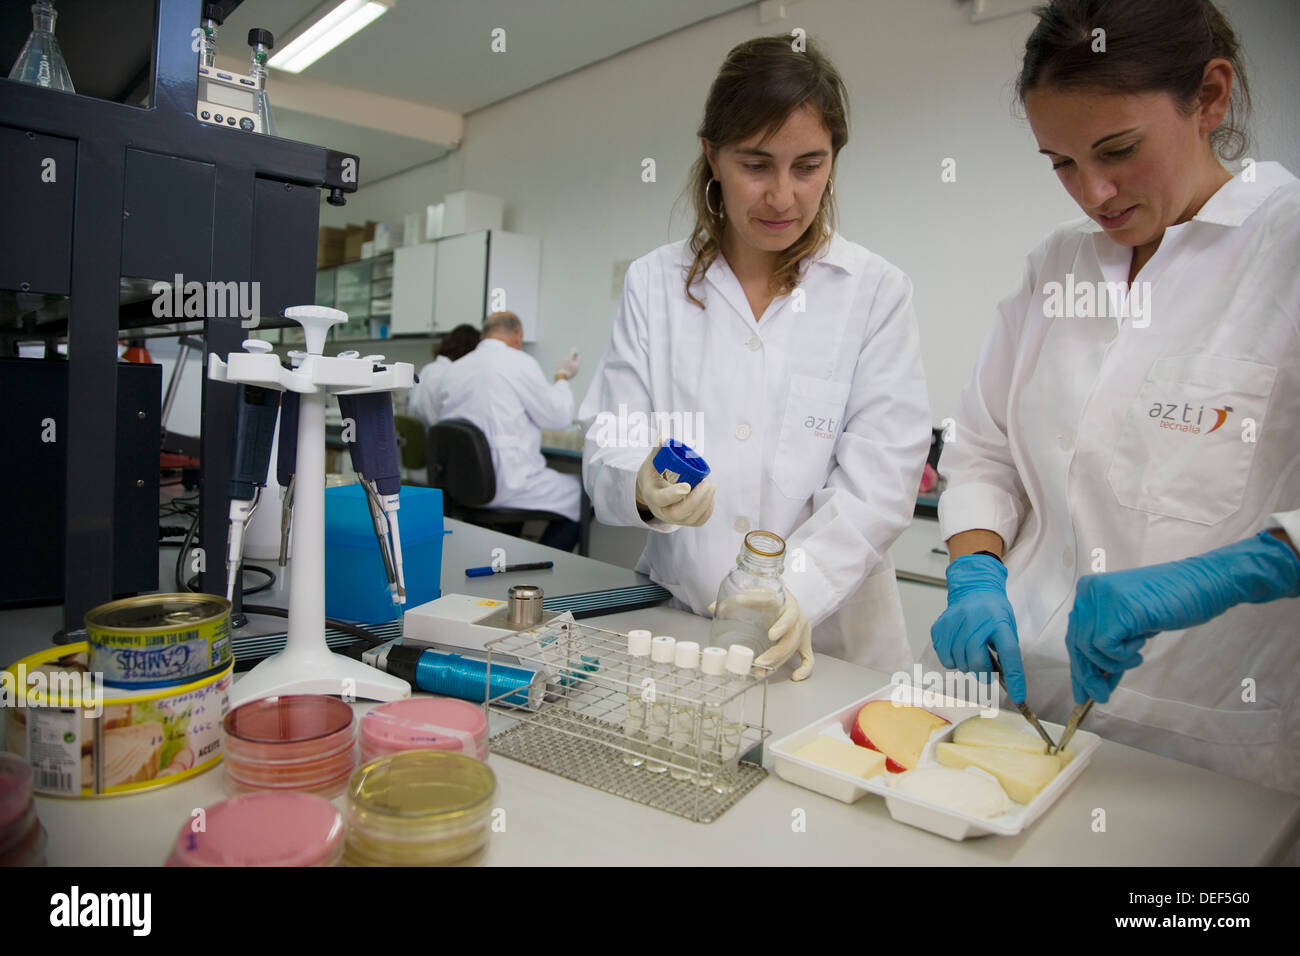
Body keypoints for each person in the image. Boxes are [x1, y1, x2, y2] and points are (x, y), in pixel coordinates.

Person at [931, 0, 1300, 794]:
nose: (1093, 192)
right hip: (1018, 702)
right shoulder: (1057, 266)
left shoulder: (1287, 251)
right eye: (1060, 162)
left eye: (1118, 149)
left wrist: (1248, 567)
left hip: (1200, 745)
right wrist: (975, 573)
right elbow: (985, 450)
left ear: (1209, 98)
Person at [580, 35, 931, 680]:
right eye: (756, 164)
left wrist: (790, 585)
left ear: (833, 162)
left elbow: (878, 486)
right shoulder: (654, 284)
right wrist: (642, 485)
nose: (782, 197)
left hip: (828, 642)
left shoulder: (874, 291)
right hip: (680, 626)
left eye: (808, 166)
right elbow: (613, 441)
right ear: (712, 156)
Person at [437, 311, 584, 551]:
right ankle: (544, 569)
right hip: (506, 483)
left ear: (485, 335)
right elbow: (559, 417)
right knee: (586, 493)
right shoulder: (519, 362)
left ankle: (511, 560)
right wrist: (562, 376)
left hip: (462, 487)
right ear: (518, 335)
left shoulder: (454, 369)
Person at [407, 323, 480, 429]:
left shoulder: (428, 369)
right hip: (436, 438)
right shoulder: (450, 374)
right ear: (469, 351)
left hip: (419, 439)